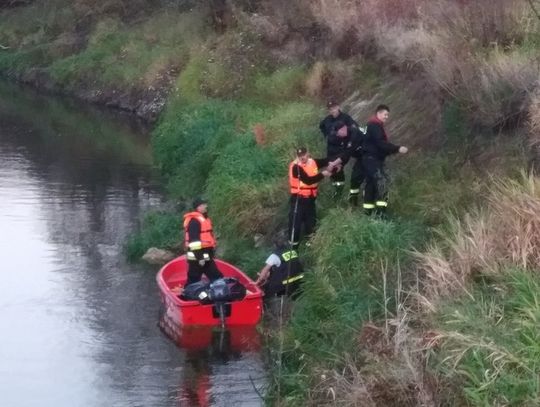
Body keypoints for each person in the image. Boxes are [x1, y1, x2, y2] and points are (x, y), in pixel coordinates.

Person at [361, 105, 408, 216]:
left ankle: (368, 213)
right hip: (372, 160)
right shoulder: (374, 125)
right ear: (378, 113)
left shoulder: (372, 125)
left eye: (388, 115)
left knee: (371, 185)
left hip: (369, 160)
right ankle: (380, 214)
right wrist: (397, 148)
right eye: (385, 114)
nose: (387, 117)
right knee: (382, 183)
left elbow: (378, 144)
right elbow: (381, 144)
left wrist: (390, 151)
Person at [288, 147, 339, 248]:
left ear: (308, 154)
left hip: (310, 199)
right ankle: (293, 248)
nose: (302, 157)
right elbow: (308, 180)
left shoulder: (313, 162)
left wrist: (336, 163)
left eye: (304, 155)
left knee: (311, 222)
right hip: (298, 198)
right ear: (297, 157)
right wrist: (323, 174)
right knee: (295, 224)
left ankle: (310, 245)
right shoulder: (295, 167)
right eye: (300, 156)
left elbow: (326, 161)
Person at [183, 198, 223, 285]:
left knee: (217, 277)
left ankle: (219, 294)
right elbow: (194, 243)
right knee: (193, 280)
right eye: (204, 205)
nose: (206, 206)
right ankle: (187, 296)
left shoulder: (204, 220)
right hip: (197, 258)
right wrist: (200, 258)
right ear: (199, 207)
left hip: (205, 256)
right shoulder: (194, 222)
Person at [328, 121, 365, 202]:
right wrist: (340, 165)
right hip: (362, 157)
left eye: (338, 133)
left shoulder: (354, 133)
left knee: (366, 177)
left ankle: (367, 197)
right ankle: (353, 202)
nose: (337, 135)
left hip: (372, 155)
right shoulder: (344, 138)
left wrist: (334, 163)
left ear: (343, 129)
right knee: (355, 177)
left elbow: (348, 153)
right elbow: (345, 154)